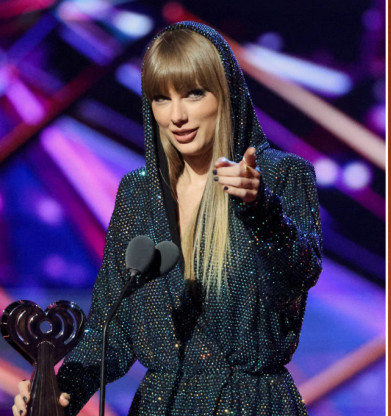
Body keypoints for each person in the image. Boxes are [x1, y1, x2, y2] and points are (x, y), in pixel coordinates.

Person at [12, 21, 321, 416]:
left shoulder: (281, 176)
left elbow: (298, 274)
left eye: (193, 94)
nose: (176, 115)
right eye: (161, 98)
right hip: (162, 404)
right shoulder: (138, 193)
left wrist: (260, 209)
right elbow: (113, 326)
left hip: (253, 404)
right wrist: (58, 390)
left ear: (225, 94)